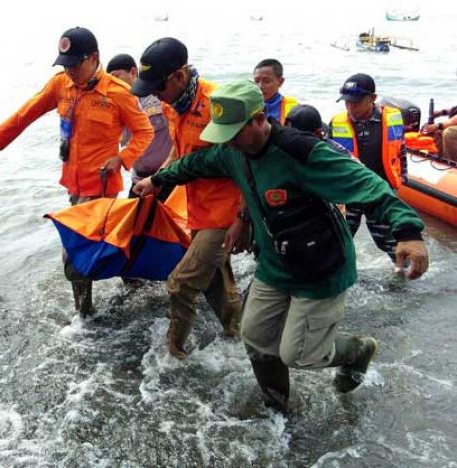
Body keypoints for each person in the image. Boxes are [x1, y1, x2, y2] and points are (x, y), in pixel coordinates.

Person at [133, 80, 429, 411]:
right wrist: (156, 180)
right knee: (255, 337)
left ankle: (357, 350)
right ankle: (277, 406)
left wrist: (408, 232)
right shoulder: (233, 151)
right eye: (223, 134)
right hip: (275, 265)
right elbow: (195, 164)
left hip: (322, 266)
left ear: (259, 119)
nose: (227, 141)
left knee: (300, 354)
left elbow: (368, 185)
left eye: (233, 132)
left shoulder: (302, 152)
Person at [0, 27, 153, 316]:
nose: (70, 70)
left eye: (75, 63)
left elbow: (144, 132)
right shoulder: (61, 85)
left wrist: (122, 158)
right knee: (93, 250)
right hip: (73, 187)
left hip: (101, 188)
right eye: (66, 64)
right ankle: (124, 288)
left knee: (75, 254)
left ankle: (84, 317)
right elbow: (28, 112)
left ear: (94, 58)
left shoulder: (117, 93)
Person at [130, 37, 245, 358]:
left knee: (181, 284)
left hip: (225, 215)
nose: (154, 95)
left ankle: (174, 354)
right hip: (197, 211)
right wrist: (156, 181)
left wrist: (244, 219)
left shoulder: (217, 105)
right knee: (215, 281)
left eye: (158, 86)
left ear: (179, 75)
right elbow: (178, 153)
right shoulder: (172, 105)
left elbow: (247, 163)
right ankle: (241, 337)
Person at [329, 73, 407, 266]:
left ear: (372, 98)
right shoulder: (336, 123)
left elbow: (400, 150)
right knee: (338, 240)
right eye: (347, 102)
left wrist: (402, 179)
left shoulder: (393, 119)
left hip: (379, 191)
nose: (350, 107)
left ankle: (403, 276)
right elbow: (328, 160)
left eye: (355, 102)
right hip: (349, 193)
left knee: (390, 242)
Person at [106, 53, 174, 201]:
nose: (114, 84)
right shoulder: (115, 107)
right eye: (110, 80)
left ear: (133, 72)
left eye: (116, 77)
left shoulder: (158, 98)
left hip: (167, 179)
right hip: (139, 180)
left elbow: (179, 138)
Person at [285, 104, 350, 155]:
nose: (290, 139)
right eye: (288, 133)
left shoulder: (337, 155)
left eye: (295, 137)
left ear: (318, 134)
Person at [253, 59, 298, 125]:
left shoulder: (293, 109)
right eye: (256, 81)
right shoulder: (247, 106)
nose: (260, 86)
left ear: (280, 82)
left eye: (266, 81)